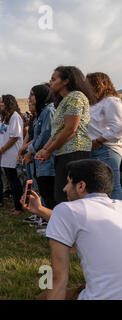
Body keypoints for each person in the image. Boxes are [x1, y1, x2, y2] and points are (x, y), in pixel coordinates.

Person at [25, 159, 122, 300]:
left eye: (69, 182)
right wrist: (39, 210)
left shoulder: (66, 210)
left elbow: (59, 279)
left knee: (43, 297)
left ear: (81, 186)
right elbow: (77, 220)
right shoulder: (118, 207)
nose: (65, 188)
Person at [35, 66, 96, 204]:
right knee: (62, 195)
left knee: (70, 197)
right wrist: (45, 150)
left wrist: (49, 150)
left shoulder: (76, 97)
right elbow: (57, 132)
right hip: (64, 154)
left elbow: (70, 129)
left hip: (75, 153)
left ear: (66, 81)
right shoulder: (64, 101)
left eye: (53, 79)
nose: (50, 82)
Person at [86, 72, 122, 200]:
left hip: (106, 149)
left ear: (98, 84)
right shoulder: (95, 104)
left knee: (113, 187)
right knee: (100, 189)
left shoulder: (111, 101)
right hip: (94, 149)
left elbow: (118, 127)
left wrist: (99, 140)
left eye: (88, 84)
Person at [0, 95, 24, 214]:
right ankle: (16, 205)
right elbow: (2, 136)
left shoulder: (15, 117)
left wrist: (1, 150)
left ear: (7, 103)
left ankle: (19, 207)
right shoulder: (6, 117)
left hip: (12, 154)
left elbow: (14, 137)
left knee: (15, 182)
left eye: (1, 102)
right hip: (5, 154)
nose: (0, 104)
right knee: (11, 181)